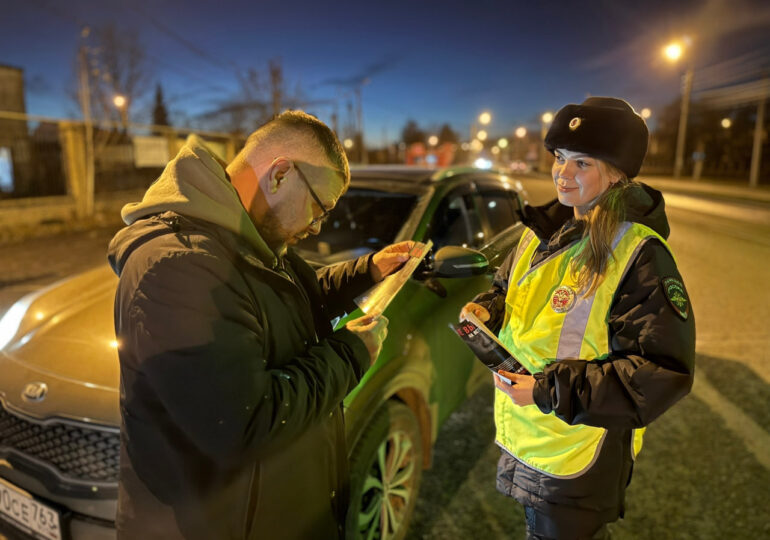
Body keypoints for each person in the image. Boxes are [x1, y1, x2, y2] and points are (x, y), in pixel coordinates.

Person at [107, 111, 417, 539]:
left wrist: (366, 272)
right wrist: (351, 354)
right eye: (320, 206)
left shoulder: (245, 239)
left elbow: (282, 299)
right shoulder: (179, 266)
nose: (318, 224)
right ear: (280, 174)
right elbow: (244, 423)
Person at [460, 97, 695, 539]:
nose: (562, 173)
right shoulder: (544, 231)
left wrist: (548, 390)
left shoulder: (639, 254)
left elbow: (664, 371)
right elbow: (506, 288)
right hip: (534, 439)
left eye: (582, 162)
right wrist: (487, 307)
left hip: (579, 455)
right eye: (560, 158)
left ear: (617, 174)